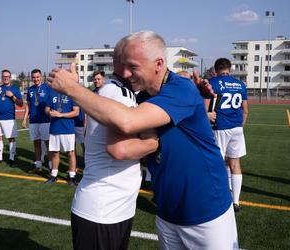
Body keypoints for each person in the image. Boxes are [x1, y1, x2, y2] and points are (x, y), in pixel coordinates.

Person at [48, 31, 238, 250]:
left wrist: (71, 89)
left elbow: (128, 122)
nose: (126, 73)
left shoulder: (181, 89)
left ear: (158, 63)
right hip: (167, 210)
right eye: (123, 65)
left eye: (134, 66)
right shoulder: (141, 95)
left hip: (206, 209)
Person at [70, 37, 159, 250]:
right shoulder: (119, 93)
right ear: (124, 63)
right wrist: (156, 142)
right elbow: (119, 150)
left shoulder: (118, 90)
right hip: (103, 209)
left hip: (112, 207)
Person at [206, 58, 249, 212]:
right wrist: (239, 126)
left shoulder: (213, 83)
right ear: (230, 69)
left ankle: (220, 198)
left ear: (216, 70)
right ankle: (236, 201)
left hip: (220, 127)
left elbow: (206, 108)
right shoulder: (240, 84)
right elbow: (245, 110)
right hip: (237, 127)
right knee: (235, 163)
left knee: (217, 161)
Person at [44, 89, 79, 186]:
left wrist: (60, 115)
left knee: (70, 153)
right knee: (55, 153)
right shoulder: (52, 93)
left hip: (68, 129)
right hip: (54, 128)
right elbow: (46, 108)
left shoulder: (72, 93)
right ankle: (54, 175)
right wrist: (49, 112)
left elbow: (76, 112)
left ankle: (72, 177)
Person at [22, 69, 52, 172]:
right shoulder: (30, 89)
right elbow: (28, 106)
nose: (36, 79)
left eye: (37, 77)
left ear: (41, 77)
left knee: (48, 144)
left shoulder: (47, 88)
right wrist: (25, 119)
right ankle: (38, 165)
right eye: (34, 77)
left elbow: (52, 103)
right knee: (36, 143)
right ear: (31, 78)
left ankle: (51, 166)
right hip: (33, 121)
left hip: (45, 121)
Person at [0, 69, 23, 166]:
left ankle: (11, 158)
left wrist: (12, 96)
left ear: (10, 78)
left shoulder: (15, 89)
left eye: (7, 76)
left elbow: (20, 103)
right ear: (1, 77)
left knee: (11, 138)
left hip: (9, 119)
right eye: (4, 76)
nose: (5, 78)